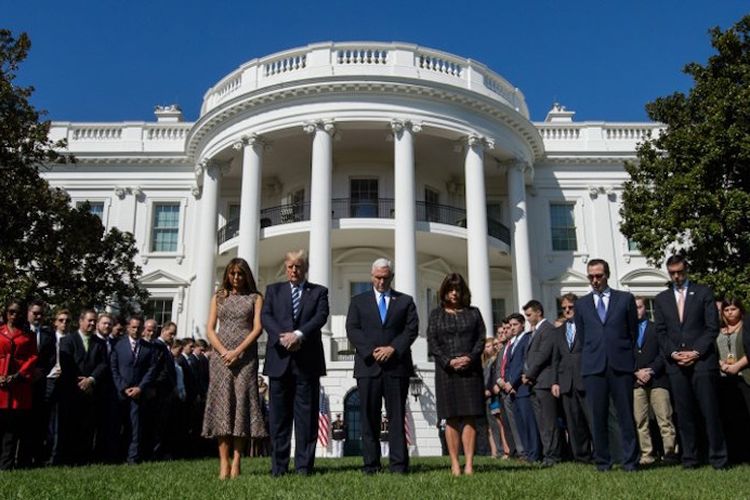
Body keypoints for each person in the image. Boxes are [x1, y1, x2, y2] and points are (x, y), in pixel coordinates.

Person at [654, 254, 728, 469]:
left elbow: (711, 327)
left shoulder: (703, 292)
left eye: (679, 272)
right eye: (672, 273)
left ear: (686, 270)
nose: (676, 276)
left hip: (702, 362)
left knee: (710, 411)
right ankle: (690, 458)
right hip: (676, 365)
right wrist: (674, 353)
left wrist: (696, 351)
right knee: (683, 414)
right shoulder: (661, 299)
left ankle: (718, 458)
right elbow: (661, 332)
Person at [346, 258, 418, 474]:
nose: (381, 282)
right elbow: (353, 329)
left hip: (396, 367)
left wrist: (392, 349)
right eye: (377, 277)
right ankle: (371, 465)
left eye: (385, 278)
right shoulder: (358, 301)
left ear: (391, 277)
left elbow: (411, 329)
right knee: (369, 418)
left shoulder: (405, 301)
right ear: (371, 276)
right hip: (368, 367)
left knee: (396, 416)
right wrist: (372, 351)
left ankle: (398, 465)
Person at [262, 250, 328, 477]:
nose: (293, 270)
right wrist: (284, 338)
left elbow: (320, 317)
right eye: (290, 266)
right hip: (279, 360)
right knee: (279, 419)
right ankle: (278, 468)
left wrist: (298, 335)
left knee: (306, 419)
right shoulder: (273, 290)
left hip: (307, 362)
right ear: (285, 267)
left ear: (305, 268)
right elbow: (266, 317)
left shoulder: (318, 292)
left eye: (298, 266)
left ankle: (303, 467)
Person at [203, 258, 266, 479]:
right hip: (221, 358)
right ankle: (223, 462)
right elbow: (210, 329)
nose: (236, 278)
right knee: (223, 407)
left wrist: (238, 351)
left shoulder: (255, 298)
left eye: (240, 274)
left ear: (246, 275)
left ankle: (237, 460)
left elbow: (258, 328)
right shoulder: (219, 297)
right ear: (227, 276)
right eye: (232, 274)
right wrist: (223, 351)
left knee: (241, 406)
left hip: (246, 357)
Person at [575, 258, 639, 471]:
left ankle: (630, 461)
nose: (595, 280)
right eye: (591, 276)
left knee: (625, 415)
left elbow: (632, 332)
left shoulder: (625, 299)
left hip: (620, 364)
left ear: (607, 275)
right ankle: (603, 461)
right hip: (594, 366)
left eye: (599, 276)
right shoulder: (581, 304)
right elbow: (583, 338)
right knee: (598, 417)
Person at [427, 272, 485, 475]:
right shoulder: (436, 314)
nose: (454, 293)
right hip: (446, 372)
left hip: (471, 371)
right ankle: (454, 464)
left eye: (457, 290)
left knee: (469, 417)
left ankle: (469, 463)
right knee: (450, 417)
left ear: (463, 292)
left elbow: (480, 339)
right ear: (444, 292)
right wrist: (448, 361)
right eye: (450, 290)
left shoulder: (474, 313)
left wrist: (469, 358)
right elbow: (432, 341)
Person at [58, 309, 108, 465]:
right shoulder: (68, 340)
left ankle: (84, 459)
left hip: (91, 391)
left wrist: (91, 379)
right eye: (90, 320)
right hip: (72, 390)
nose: (92, 324)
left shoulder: (100, 343)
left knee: (88, 426)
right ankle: (68, 459)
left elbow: (103, 363)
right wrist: (80, 382)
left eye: (94, 321)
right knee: (70, 426)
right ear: (81, 321)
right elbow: (67, 364)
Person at [632, 296, 677, 465]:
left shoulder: (656, 328)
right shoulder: (627, 331)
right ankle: (647, 454)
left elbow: (663, 353)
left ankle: (670, 452)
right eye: (634, 307)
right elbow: (625, 355)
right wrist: (636, 372)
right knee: (640, 420)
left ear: (645, 308)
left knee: (664, 418)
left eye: (640, 306)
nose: (638, 310)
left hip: (658, 379)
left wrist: (651, 370)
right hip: (636, 381)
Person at [110, 316, 159, 464]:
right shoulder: (118, 346)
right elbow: (114, 368)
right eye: (133, 327)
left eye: (139, 327)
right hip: (121, 393)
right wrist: (123, 387)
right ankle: (115, 456)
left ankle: (133, 457)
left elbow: (152, 369)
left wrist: (140, 387)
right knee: (117, 425)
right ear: (128, 328)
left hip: (138, 394)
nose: (136, 330)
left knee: (135, 427)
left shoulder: (148, 348)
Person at [550, 293, 592, 463]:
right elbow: (555, 359)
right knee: (573, 422)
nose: (567, 310)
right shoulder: (559, 331)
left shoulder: (587, 326)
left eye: (571, 307)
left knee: (591, 420)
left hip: (585, 379)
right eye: (564, 308)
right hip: (566, 382)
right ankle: (581, 456)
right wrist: (555, 381)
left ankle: (599, 453)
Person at [522, 299, 561, 467]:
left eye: (529, 315)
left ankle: (553, 455)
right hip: (534, 382)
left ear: (539, 312)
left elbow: (543, 355)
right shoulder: (535, 331)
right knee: (542, 423)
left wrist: (528, 374)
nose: (528, 319)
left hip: (544, 381)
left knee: (549, 422)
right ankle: (548, 454)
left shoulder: (548, 330)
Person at [0, 300, 38, 470]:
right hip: (1, 384)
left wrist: (18, 375)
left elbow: (32, 357)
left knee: (12, 429)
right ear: (5, 313)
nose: (14, 315)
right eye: (11, 311)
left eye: (17, 312)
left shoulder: (28, 335)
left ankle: (6, 465)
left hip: (18, 386)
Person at [18, 299, 54, 468]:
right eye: (35, 313)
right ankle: (22, 459)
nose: (38, 316)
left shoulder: (48, 334)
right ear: (28, 314)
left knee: (39, 422)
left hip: (40, 382)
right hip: (22, 382)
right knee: (22, 423)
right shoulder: (21, 331)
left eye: (41, 314)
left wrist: (42, 371)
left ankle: (37, 458)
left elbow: (51, 358)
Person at [716, 298, 750, 463]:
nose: (730, 312)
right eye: (726, 309)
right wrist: (721, 363)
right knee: (729, 417)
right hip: (724, 378)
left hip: (744, 376)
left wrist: (737, 366)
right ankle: (734, 455)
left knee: (746, 415)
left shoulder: (746, 328)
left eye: (733, 309)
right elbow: (712, 352)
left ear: (740, 310)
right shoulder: (718, 331)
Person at [503, 312, 539, 462]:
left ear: (522, 324)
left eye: (515, 325)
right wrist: (507, 383)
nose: (512, 328)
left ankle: (534, 453)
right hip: (513, 390)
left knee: (529, 422)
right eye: (510, 325)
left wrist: (513, 382)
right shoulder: (513, 342)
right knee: (520, 424)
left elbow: (522, 363)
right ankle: (527, 453)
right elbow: (510, 365)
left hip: (522, 387)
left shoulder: (526, 339)